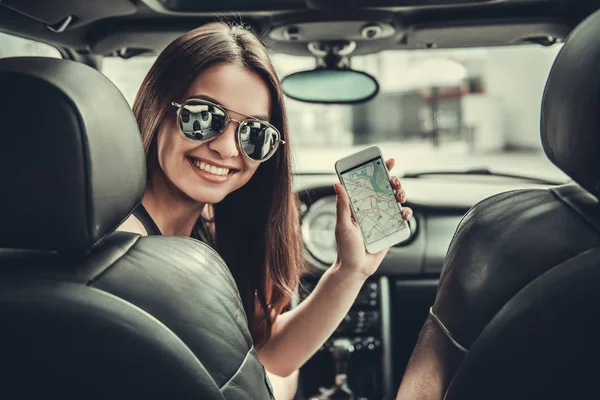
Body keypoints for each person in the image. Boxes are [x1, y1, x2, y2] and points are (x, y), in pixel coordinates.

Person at [117, 22, 412, 400]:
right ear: (157, 106)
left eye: (255, 134)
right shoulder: (125, 245)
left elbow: (271, 352)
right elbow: (269, 370)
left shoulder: (209, 233)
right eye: (204, 116)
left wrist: (351, 270)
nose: (226, 149)